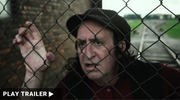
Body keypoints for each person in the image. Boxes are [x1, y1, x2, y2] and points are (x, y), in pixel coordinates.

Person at [13, 8, 180, 99]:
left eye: (97, 43)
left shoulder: (157, 77)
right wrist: (33, 73)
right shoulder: (71, 84)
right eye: (81, 43)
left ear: (120, 46)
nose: (87, 53)